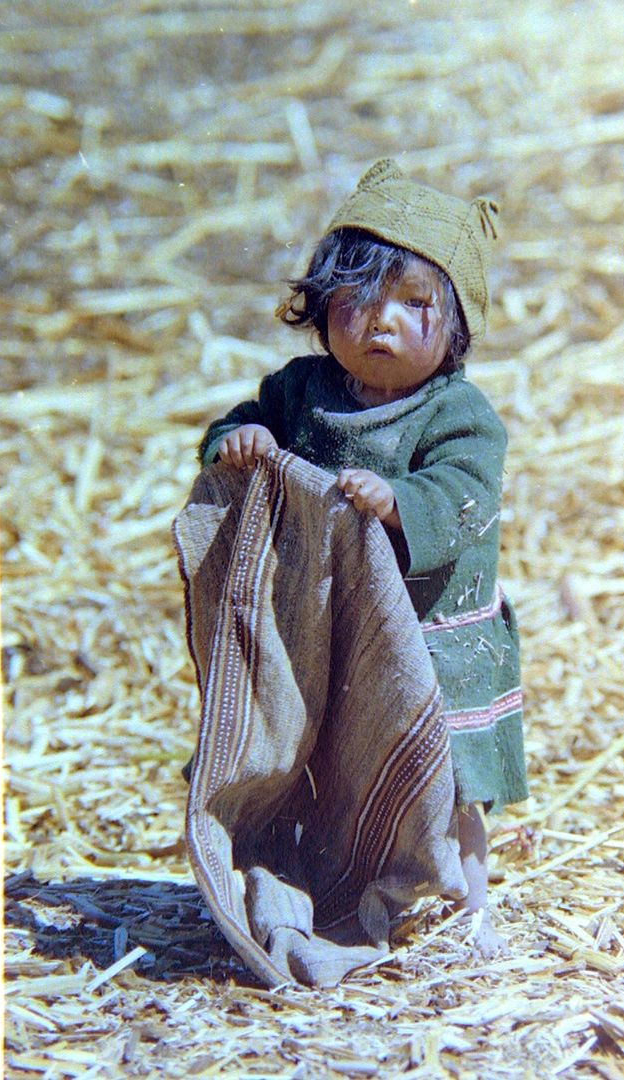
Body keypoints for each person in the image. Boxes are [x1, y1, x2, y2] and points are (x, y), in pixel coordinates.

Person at [198, 159, 528, 957]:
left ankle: (465, 901)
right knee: (329, 764)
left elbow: (462, 494)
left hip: (433, 633)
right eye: (355, 300)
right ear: (318, 309)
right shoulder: (301, 391)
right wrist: (239, 442)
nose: (380, 322)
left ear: (456, 327)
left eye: (414, 304)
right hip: (330, 634)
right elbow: (237, 430)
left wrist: (398, 503)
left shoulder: (460, 416)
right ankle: (329, 882)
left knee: (450, 781)